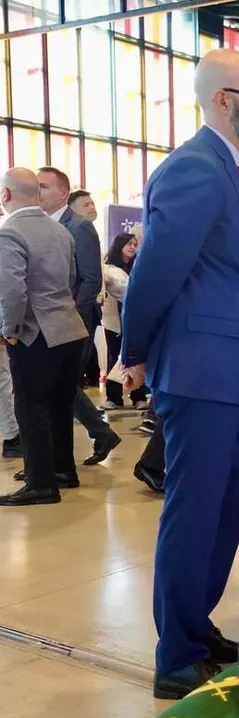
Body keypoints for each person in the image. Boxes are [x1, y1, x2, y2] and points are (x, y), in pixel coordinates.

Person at [120, 48, 239, 699]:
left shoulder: (224, 171)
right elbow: (154, 271)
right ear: (223, 101)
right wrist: (131, 352)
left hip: (232, 373)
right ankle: (175, 654)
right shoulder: (194, 169)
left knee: (229, 506)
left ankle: (193, 622)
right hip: (198, 373)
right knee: (195, 512)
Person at [0, 168, 89, 506]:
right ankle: (63, 470)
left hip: (36, 334)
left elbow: (11, 291)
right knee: (59, 406)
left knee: (31, 406)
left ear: (6, 195)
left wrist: (8, 330)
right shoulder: (60, 230)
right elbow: (70, 278)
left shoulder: (10, 233)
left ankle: (40, 482)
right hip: (70, 329)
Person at [37, 166, 121, 466]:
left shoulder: (79, 227)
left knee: (60, 383)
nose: (38, 192)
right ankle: (99, 434)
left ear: (63, 192)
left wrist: (72, 314)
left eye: (44, 186)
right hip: (51, 320)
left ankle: (86, 441)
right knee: (61, 384)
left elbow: (90, 279)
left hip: (73, 320)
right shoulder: (44, 225)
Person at [100, 233, 148, 410]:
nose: (132, 247)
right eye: (128, 243)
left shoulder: (138, 267)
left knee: (137, 356)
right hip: (114, 320)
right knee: (114, 356)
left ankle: (138, 396)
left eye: (135, 244)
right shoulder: (108, 269)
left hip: (136, 320)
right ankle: (113, 397)